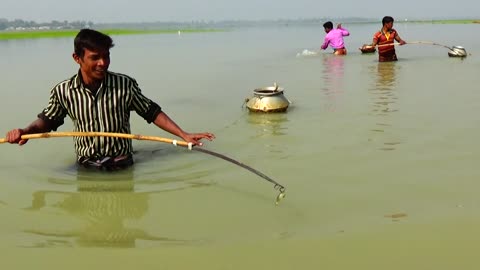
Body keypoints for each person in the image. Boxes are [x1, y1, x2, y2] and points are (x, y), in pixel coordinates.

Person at [5, 28, 215, 170]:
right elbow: (47, 121)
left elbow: (151, 111)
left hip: (122, 165)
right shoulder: (64, 91)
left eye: (106, 56)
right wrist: (25, 132)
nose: (103, 63)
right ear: (77, 58)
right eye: (95, 58)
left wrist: (183, 134)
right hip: (87, 168)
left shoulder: (125, 85)